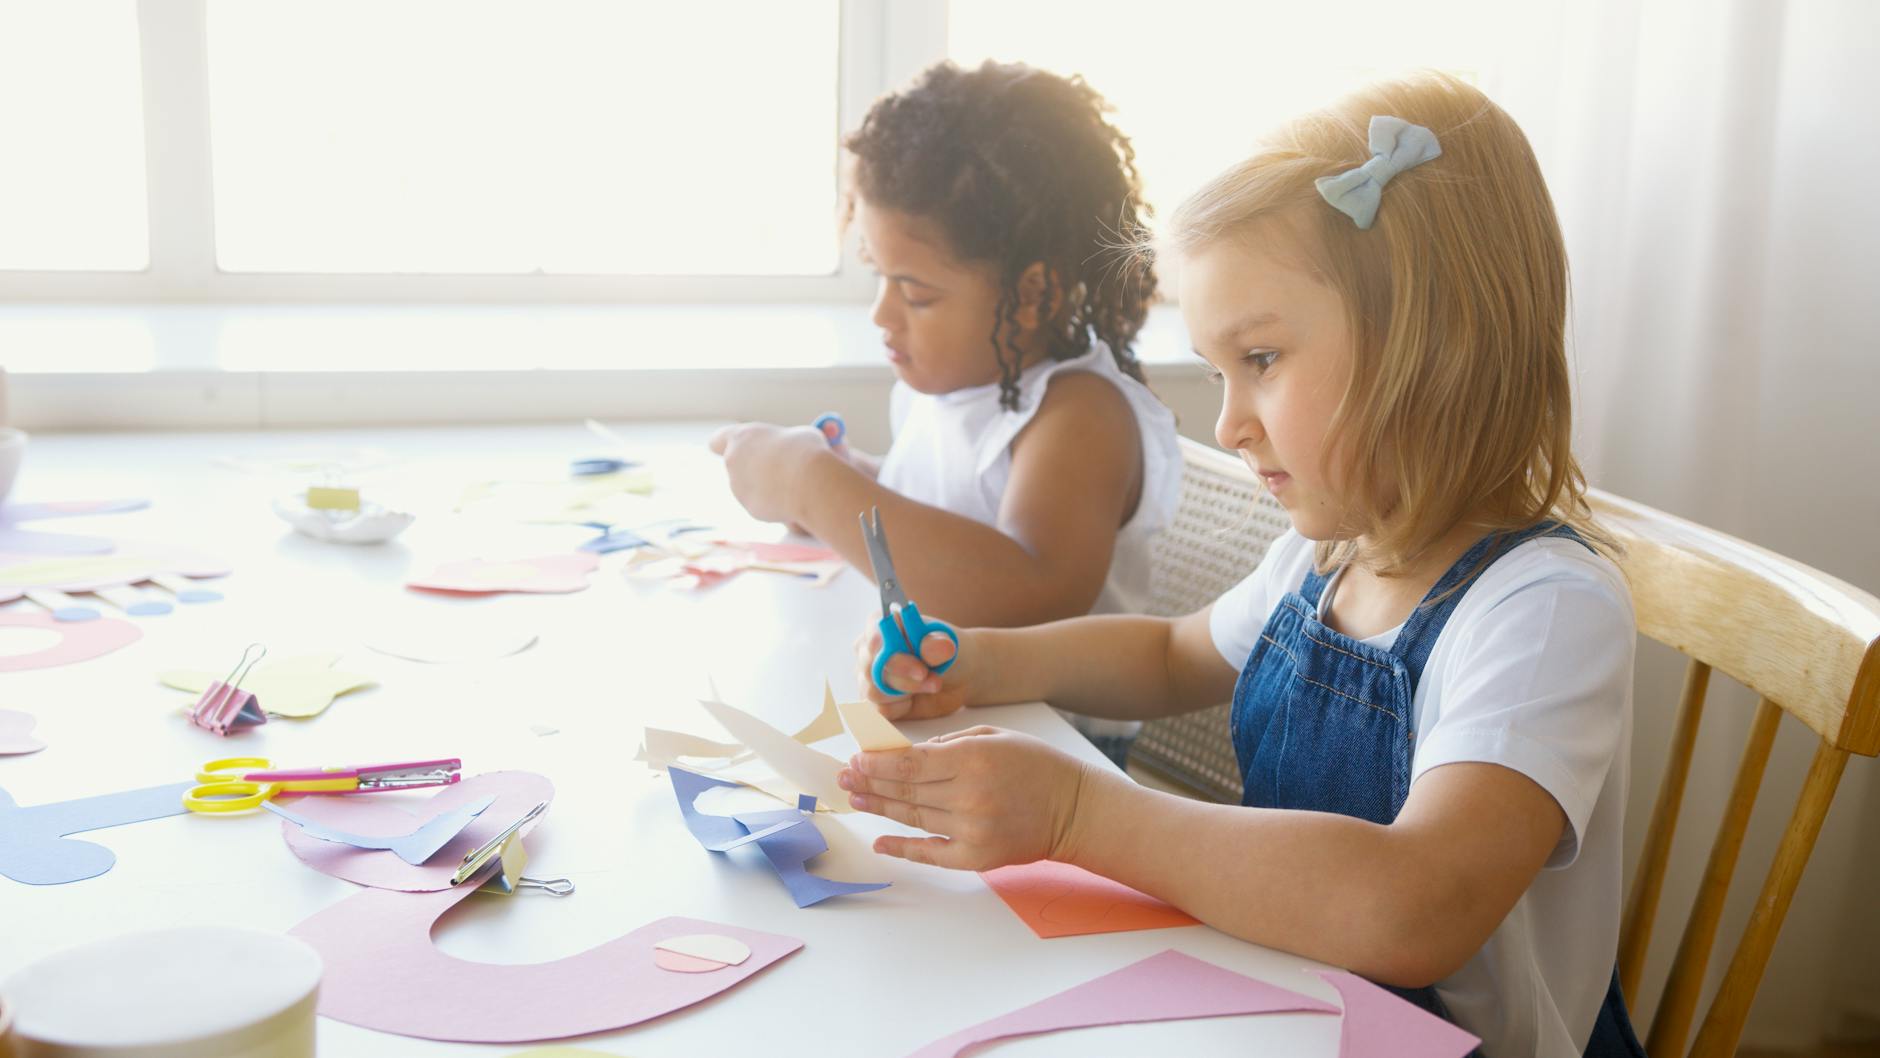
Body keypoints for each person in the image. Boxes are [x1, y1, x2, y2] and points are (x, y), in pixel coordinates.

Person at [840, 72, 1646, 1058]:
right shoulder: (1330, 554)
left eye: (1259, 358)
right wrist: (987, 661)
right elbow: (1173, 654)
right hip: (1283, 1002)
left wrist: (1076, 809)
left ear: (1432, 347)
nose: (1226, 421)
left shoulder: (1542, 608)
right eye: (1218, 372)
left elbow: (1411, 905)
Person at [710, 60, 1184, 764]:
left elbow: (1025, 596)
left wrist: (815, 484)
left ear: (1033, 294)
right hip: (945, 717)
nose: (881, 314)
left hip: (1054, 758)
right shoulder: (951, 387)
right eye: (878, 276)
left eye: (916, 293)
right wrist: (852, 478)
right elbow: (947, 524)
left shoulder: (1079, 415)